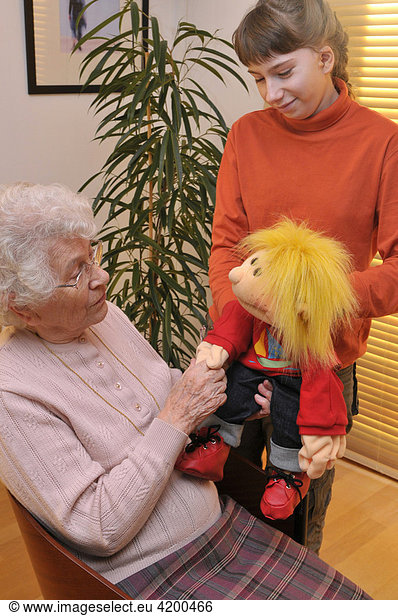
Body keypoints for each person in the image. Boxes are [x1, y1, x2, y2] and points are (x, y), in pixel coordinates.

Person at [0, 182, 369, 600]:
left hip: (220, 520)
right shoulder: (12, 392)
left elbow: (165, 386)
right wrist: (176, 415)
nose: (102, 276)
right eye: (77, 272)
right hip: (147, 574)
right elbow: (98, 527)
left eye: (93, 255)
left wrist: (238, 401)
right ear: (22, 306)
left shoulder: (105, 318)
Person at [208, 0, 398, 553]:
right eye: (258, 78)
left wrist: (306, 303)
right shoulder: (246, 135)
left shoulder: (382, 143)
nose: (270, 94)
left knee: (292, 534)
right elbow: (225, 246)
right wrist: (241, 321)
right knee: (222, 511)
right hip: (239, 353)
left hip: (321, 367)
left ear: (325, 56)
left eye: (284, 72)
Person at [176, 219, 357, 520]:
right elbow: (233, 320)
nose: (238, 275)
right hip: (252, 365)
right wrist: (216, 345)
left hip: (292, 378)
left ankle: (288, 474)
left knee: (292, 412)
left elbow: (322, 390)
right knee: (231, 385)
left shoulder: (310, 339)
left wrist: (322, 432)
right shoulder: (250, 311)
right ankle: (215, 439)